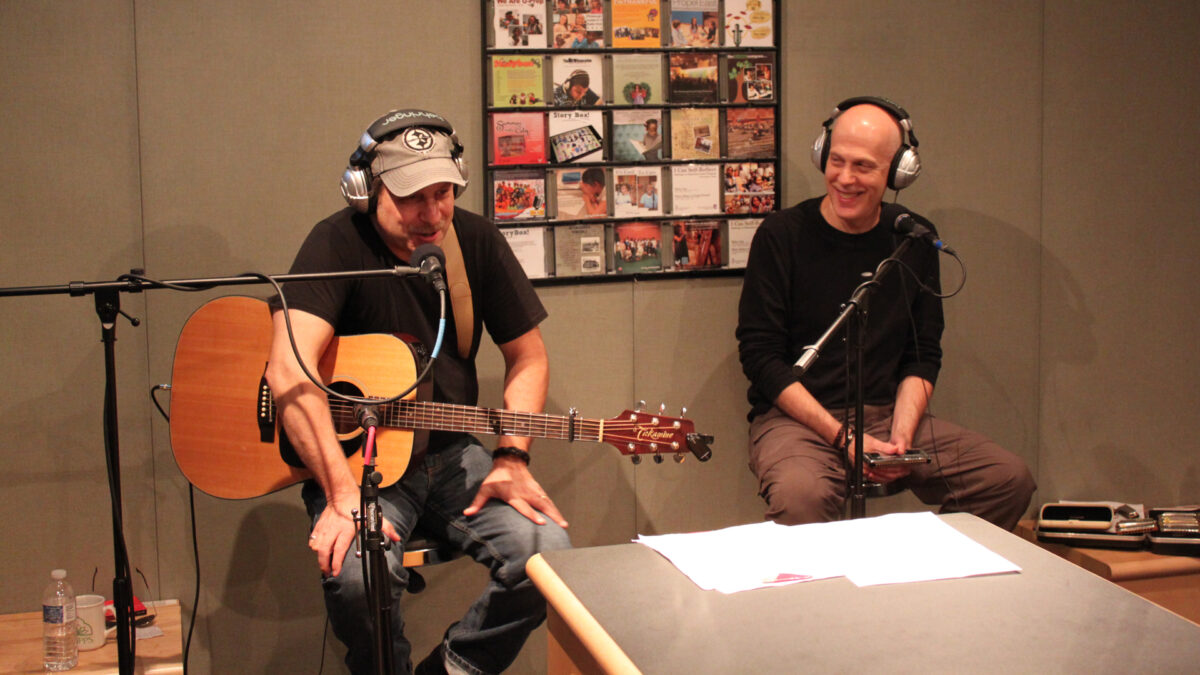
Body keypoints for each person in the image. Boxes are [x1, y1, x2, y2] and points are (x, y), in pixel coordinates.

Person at [266, 109, 571, 674]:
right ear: (366, 190)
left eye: (443, 193)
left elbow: (527, 355)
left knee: (547, 557)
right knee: (360, 578)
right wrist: (340, 496)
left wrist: (511, 455)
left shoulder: (471, 240)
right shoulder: (335, 244)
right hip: (360, 466)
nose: (432, 215)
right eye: (411, 198)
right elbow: (288, 370)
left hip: (451, 453)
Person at [736, 97, 1035, 530]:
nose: (844, 178)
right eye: (836, 161)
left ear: (898, 173)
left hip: (885, 412)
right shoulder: (782, 235)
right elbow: (761, 360)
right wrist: (846, 439)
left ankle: (924, 586)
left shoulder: (912, 238)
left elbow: (923, 353)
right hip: (796, 418)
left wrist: (901, 436)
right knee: (802, 498)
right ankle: (825, 597)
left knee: (1006, 479)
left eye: (863, 166)